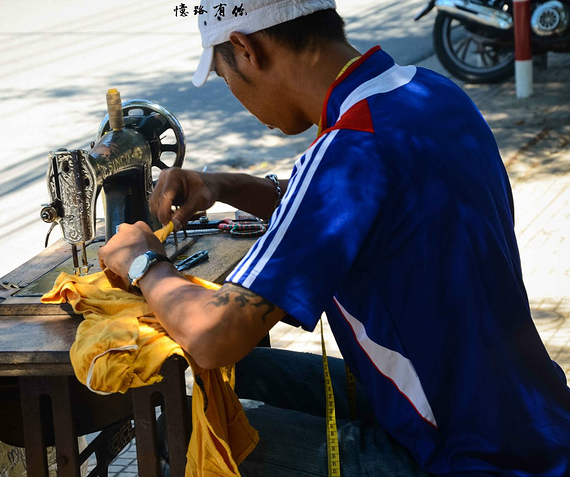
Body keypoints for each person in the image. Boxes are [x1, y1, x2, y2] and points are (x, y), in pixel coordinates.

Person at [97, 0, 570, 475]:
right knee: (239, 379)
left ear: (245, 49)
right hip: (525, 412)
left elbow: (210, 336)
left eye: (226, 79)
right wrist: (225, 185)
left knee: (181, 432)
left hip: (465, 454)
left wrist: (145, 262)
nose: (238, 95)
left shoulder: (350, 146)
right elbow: (345, 204)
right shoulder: (431, 95)